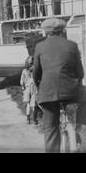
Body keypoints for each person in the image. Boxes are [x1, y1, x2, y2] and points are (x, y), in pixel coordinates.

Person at [33, 18, 84, 153]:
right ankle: (79, 136)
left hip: (48, 93)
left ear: (46, 31)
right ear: (62, 30)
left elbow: (36, 74)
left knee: (50, 128)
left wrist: (40, 88)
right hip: (71, 93)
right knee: (79, 120)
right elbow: (80, 72)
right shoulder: (72, 45)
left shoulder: (40, 46)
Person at [20, 56, 40, 124]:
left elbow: (22, 81)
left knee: (28, 104)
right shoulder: (35, 70)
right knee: (34, 104)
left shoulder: (24, 71)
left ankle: (28, 119)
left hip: (27, 88)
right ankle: (34, 120)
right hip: (34, 87)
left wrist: (23, 87)